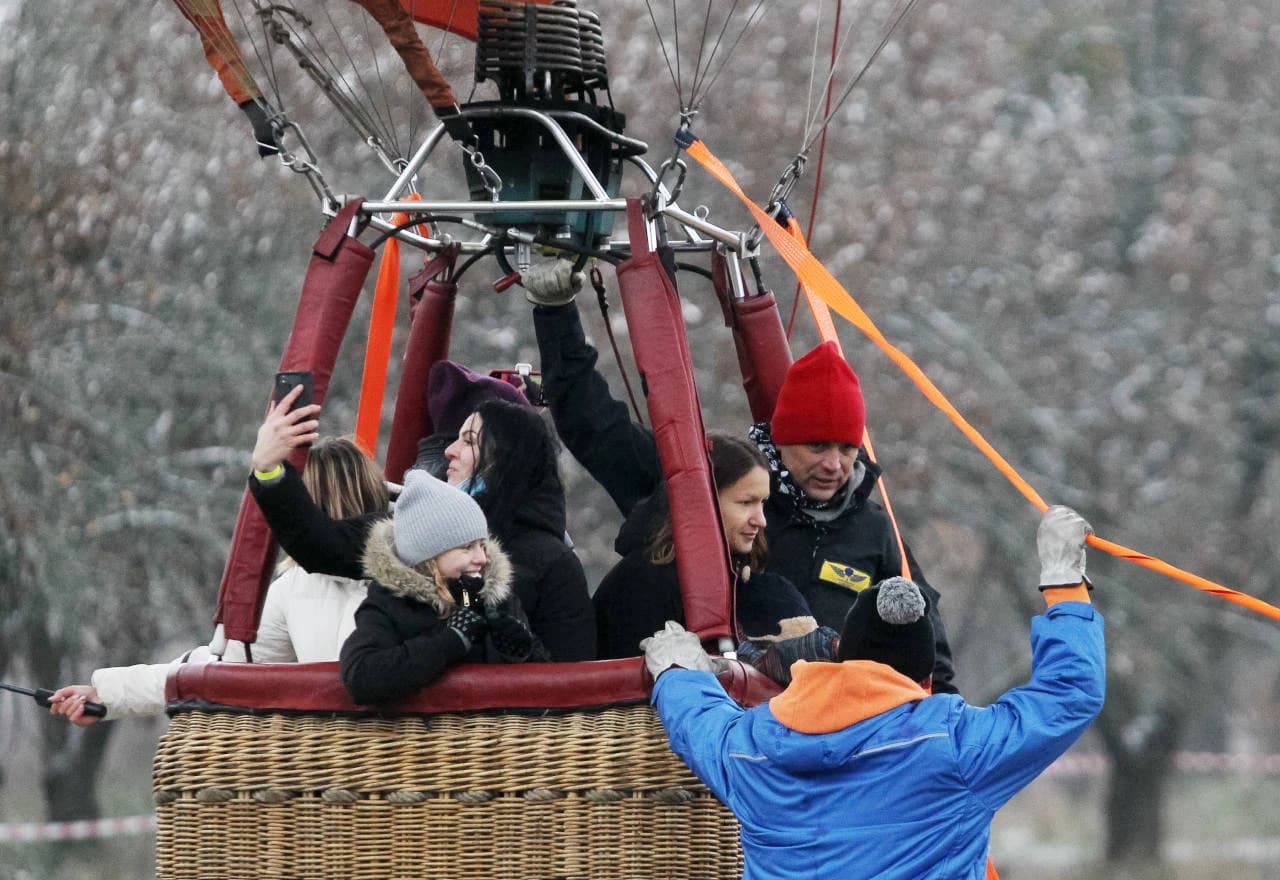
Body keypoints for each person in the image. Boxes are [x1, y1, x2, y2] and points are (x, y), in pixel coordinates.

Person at [641, 506, 1105, 880]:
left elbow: (702, 727)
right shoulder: (956, 746)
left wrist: (679, 672)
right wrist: (1064, 584)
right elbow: (1069, 695)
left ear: (843, 655)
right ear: (922, 676)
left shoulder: (755, 747)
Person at [528, 295, 957, 690]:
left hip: (825, 722)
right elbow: (597, 427)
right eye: (817, 446)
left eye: (847, 449)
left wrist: (942, 721)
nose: (834, 464)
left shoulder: (874, 530)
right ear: (783, 440)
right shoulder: (714, 483)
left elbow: (924, 637)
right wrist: (556, 312)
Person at [48, 433, 389, 725]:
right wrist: (107, 695)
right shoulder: (293, 589)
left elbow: (219, 670)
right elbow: (222, 671)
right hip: (348, 765)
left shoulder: (417, 569)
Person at [251, 386, 596, 661]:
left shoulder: (553, 563)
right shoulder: (417, 531)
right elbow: (320, 544)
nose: (450, 450)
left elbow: (570, 682)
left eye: (469, 441)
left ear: (504, 462)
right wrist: (270, 471)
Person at [593, 431, 823, 668]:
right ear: (704, 501)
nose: (761, 520)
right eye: (746, 503)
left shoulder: (766, 590)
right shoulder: (643, 584)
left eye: (762, 503)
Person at [340, 469, 547, 705]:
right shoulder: (389, 605)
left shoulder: (496, 599)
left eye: (482, 545)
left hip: (498, 737)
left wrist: (523, 653)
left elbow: (546, 686)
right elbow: (361, 676)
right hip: (423, 738)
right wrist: (449, 642)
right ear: (429, 556)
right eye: (467, 547)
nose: (482, 558)